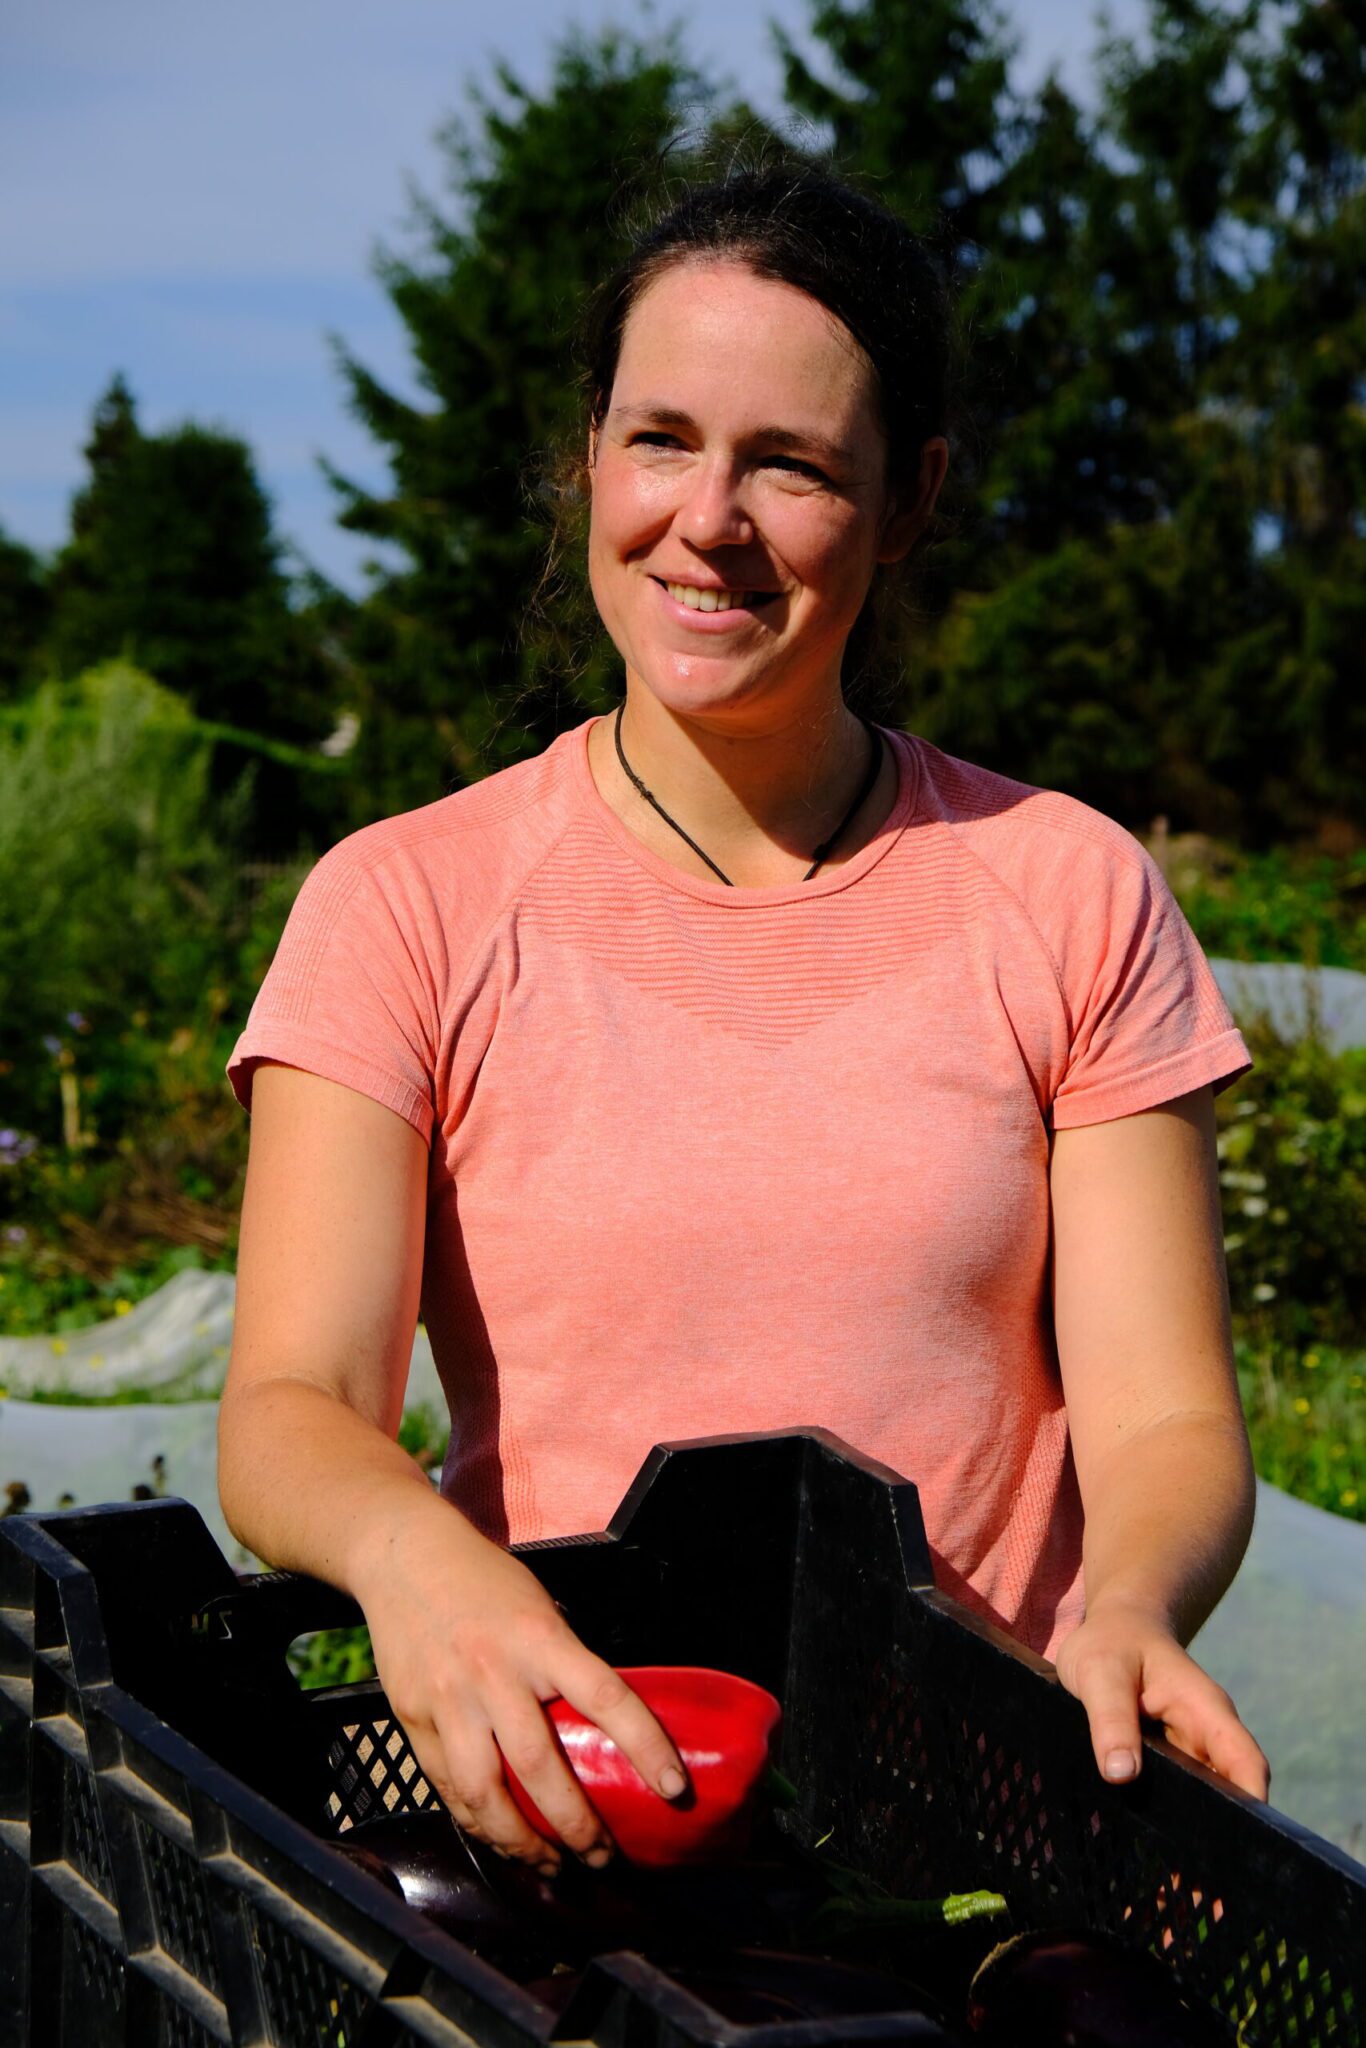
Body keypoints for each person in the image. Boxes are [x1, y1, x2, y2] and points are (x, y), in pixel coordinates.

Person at [219, 164, 1270, 1881]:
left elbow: (1163, 1421)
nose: (706, 518)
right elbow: (291, 1400)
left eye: (788, 463)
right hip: (565, 1797)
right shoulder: (405, 902)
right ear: (588, 459)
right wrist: (416, 1562)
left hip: (971, 1825)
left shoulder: (1066, 888)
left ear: (908, 499)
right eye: (660, 440)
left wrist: (1129, 1607)